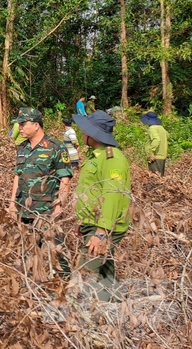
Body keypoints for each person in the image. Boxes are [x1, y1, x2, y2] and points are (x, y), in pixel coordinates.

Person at [72, 110, 131, 301]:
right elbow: (91, 191)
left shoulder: (112, 158)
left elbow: (112, 195)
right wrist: (82, 220)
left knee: (85, 271)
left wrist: (101, 233)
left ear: (94, 134)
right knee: (106, 271)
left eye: (85, 131)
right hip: (93, 222)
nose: (82, 134)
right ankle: (113, 310)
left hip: (105, 227)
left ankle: (82, 316)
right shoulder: (95, 155)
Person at [9, 108, 73, 221]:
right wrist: (12, 204)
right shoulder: (22, 148)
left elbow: (65, 179)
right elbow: (17, 176)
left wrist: (59, 206)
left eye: (23, 124)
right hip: (22, 210)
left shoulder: (56, 147)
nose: (20, 128)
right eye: (19, 124)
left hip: (46, 212)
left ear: (36, 125)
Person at [140, 111, 168, 176]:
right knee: (160, 178)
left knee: (155, 180)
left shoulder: (152, 128)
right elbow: (167, 136)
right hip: (162, 157)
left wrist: (151, 152)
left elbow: (157, 139)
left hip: (155, 157)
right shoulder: (161, 128)